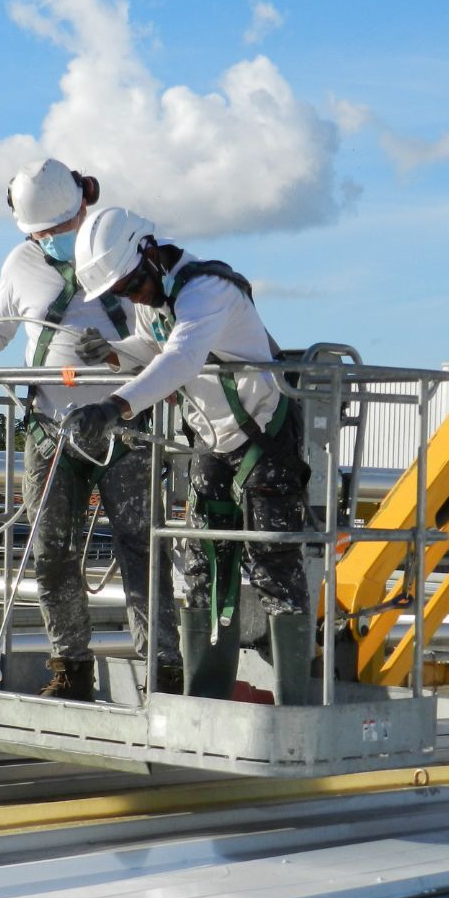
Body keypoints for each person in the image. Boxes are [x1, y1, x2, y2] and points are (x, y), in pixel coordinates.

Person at [0, 161, 182, 702]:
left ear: (83, 205)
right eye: (42, 233)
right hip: (50, 424)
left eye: (58, 229)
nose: (51, 240)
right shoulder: (22, 262)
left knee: (141, 547)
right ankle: (71, 668)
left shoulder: (122, 249)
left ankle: (165, 671)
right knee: (50, 551)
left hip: (124, 421)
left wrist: (125, 359)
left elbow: (164, 330)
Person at [66, 206, 311, 703]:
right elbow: (156, 344)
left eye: (132, 285)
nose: (131, 295)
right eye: (120, 292)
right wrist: (116, 352)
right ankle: (207, 694)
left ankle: (294, 702)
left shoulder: (208, 291)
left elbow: (181, 358)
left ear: (149, 250)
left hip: (263, 437)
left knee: (273, 564)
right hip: (212, 439)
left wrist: (116, 406)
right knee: (201, 564)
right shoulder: (152, 297)